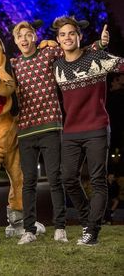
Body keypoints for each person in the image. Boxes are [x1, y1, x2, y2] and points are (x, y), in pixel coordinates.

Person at [11, 20, 108, 245]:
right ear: (15, 41)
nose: (24, 40)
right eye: (19, 37)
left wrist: (100, 45)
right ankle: (29, 230)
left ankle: (61, 228)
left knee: (57, 180)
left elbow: (75, 49)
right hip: (25, 129)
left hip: (52, 127)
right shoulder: (14, 64)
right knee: (29, 183)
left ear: (35, 36)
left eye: (28, 35)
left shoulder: (49, 54)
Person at [52, 15, 124, 246]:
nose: (67, 37)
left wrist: (101, 45)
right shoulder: (57, 66)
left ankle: (92, 231)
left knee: (98, 180)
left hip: (97, 128)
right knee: (68, 179)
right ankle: (87, 219)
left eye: (71, 33)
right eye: (62, 35)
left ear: (79, 36)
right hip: (71, 130)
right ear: (58, 40)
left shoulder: (96, 58)